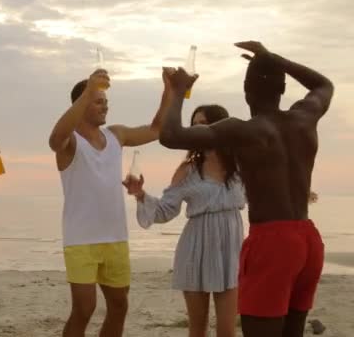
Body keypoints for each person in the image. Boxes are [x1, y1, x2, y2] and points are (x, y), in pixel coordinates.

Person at [159, 41, 333, 337]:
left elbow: (170, 135)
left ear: (246, 91)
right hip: (308, 239)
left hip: (272, 242)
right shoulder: (304, 118)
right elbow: (323, 84)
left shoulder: (242, 130)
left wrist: (176, 92)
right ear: (282, 89)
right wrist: (274, 59)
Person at [48, 67, 173, 337]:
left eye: (106, 101)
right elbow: (54, 139)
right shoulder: (71, 142)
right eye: (98, 100)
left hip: (115, 236)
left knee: (119, 306)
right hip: (81, 239)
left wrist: (169, 92)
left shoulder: (116, 135)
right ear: (81, 103)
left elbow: (157, 129)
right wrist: (87, 91)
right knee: (84, 309)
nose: (105, 106)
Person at [123, 104, 245, 337]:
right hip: (196, 249)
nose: (197, 129)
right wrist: (140, 194)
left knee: (227, 330)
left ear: (220, 127)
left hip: (231, 251)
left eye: (204, 124)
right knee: (198, 328)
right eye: (194, 124)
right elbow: (165, 211)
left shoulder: (240, 167)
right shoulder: (188, 170)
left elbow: (264, 192)